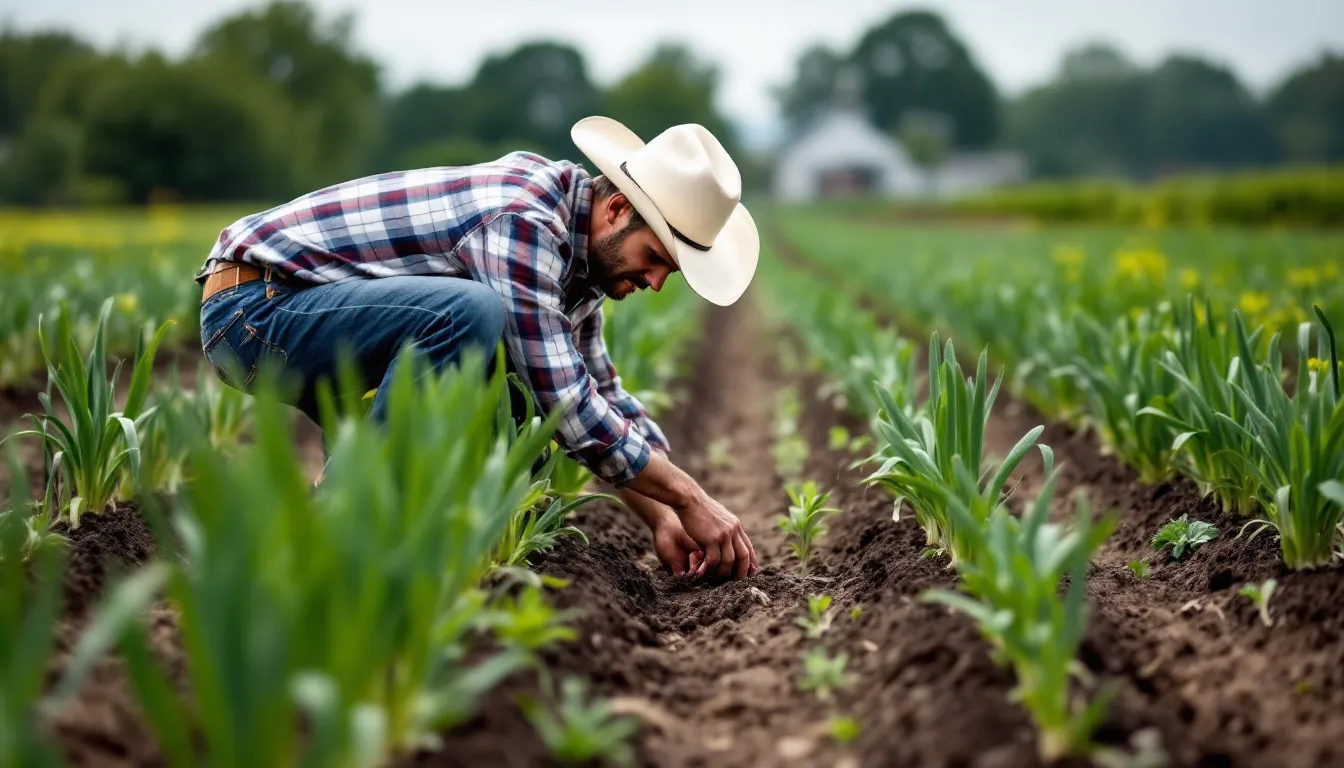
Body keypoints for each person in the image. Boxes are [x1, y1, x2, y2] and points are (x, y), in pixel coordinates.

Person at [195, 116, 760, 582]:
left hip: (328, 319)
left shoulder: (578, 268)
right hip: (256, 309)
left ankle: (357, 539)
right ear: (615, 211)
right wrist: (689, 498)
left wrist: (663, 515)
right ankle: (332, 526)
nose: (656, 283)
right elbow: (568, 405)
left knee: (515, 387)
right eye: (655, 258)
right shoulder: (523, 220)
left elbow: (601, 392)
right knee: (475, 320)